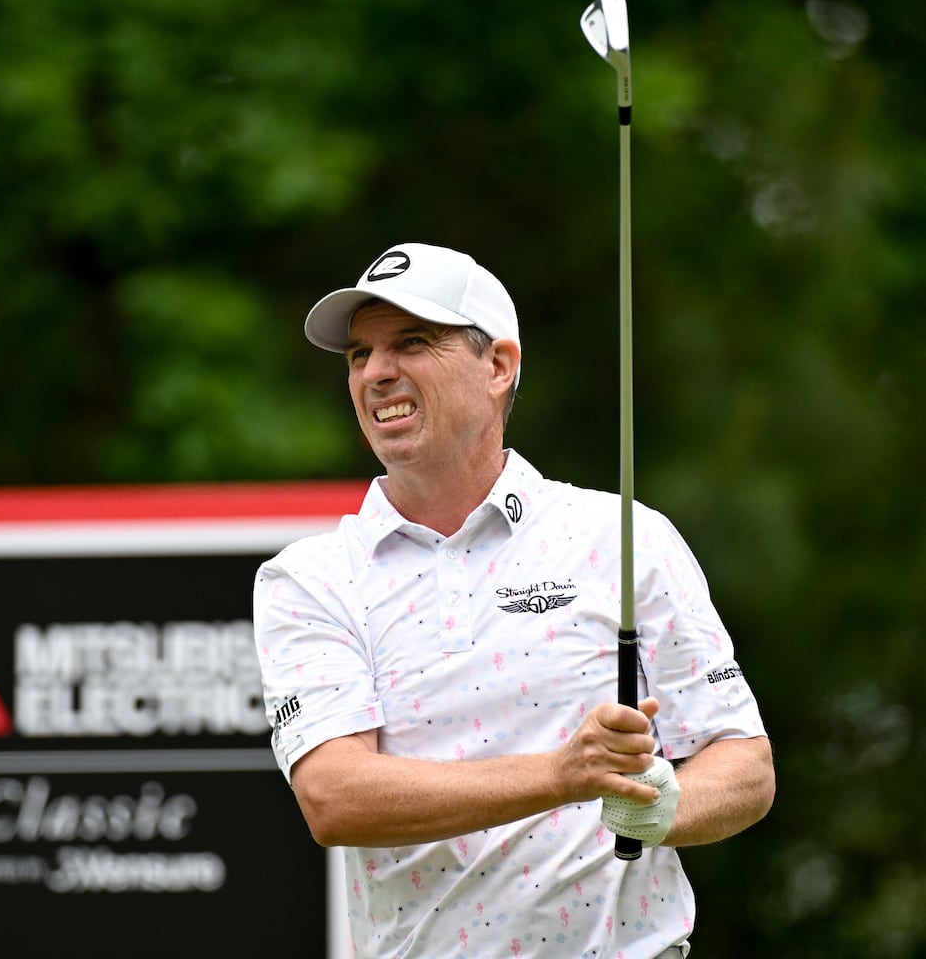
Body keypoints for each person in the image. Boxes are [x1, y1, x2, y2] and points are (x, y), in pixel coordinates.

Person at [252, 242, 774, 958]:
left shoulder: (623, 535)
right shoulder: (309, 577)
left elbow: (743, 762)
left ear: (498, 366)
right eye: (359, 354)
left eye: (412, 342)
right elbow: (335, 797)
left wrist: (665, 806)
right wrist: (561, 775)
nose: (376, 373)